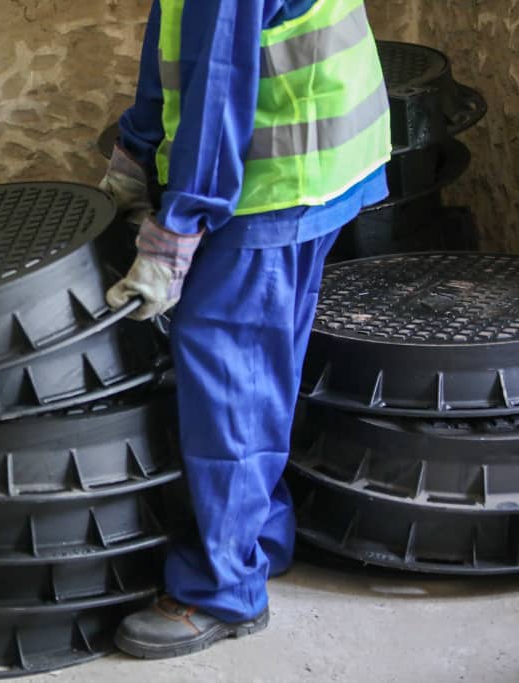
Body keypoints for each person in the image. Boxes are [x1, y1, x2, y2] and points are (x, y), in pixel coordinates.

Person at [101, 0, 391, 659]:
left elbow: (221, 73)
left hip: (275, 172)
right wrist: (137, 138)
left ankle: (221, 588)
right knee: (263, 365)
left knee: (225, 374)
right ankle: (257, 536)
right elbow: (183, 33)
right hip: (318, 155)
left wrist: (180, 225)